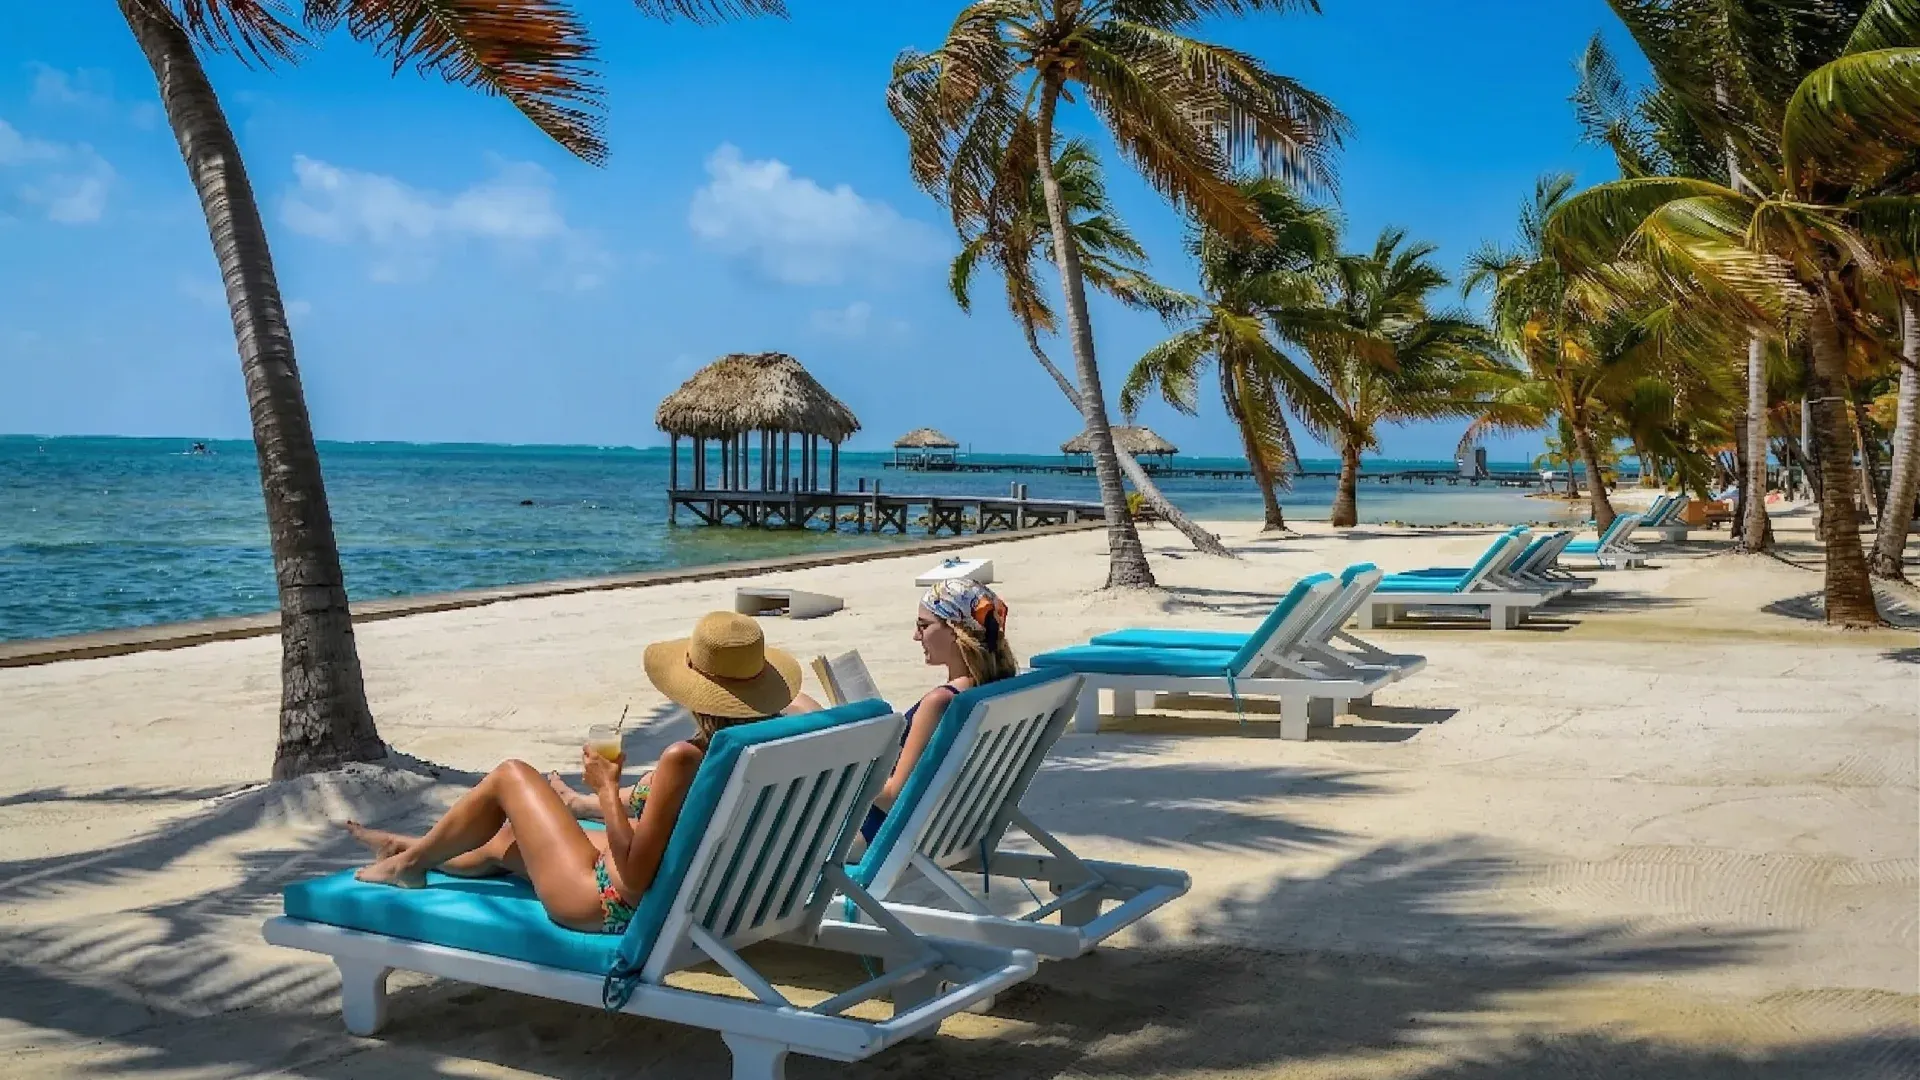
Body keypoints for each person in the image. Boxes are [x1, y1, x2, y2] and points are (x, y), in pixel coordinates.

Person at [345, 611, 805, 935]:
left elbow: (635, 874)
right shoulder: (776, 742)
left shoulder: (685, 759)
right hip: (708, 892)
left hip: (612, 904)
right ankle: (409, 849)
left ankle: (407, 864)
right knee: (505, 841)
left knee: (511, 775)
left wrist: (605, 789)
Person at [860, 579, 1018, 842]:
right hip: (954, 829)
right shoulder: (999, 688)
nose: (916, 636)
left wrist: (842, 779)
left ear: (956, 631)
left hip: (886, 834)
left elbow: (892, 798)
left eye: (924, 626)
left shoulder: (941, 702)